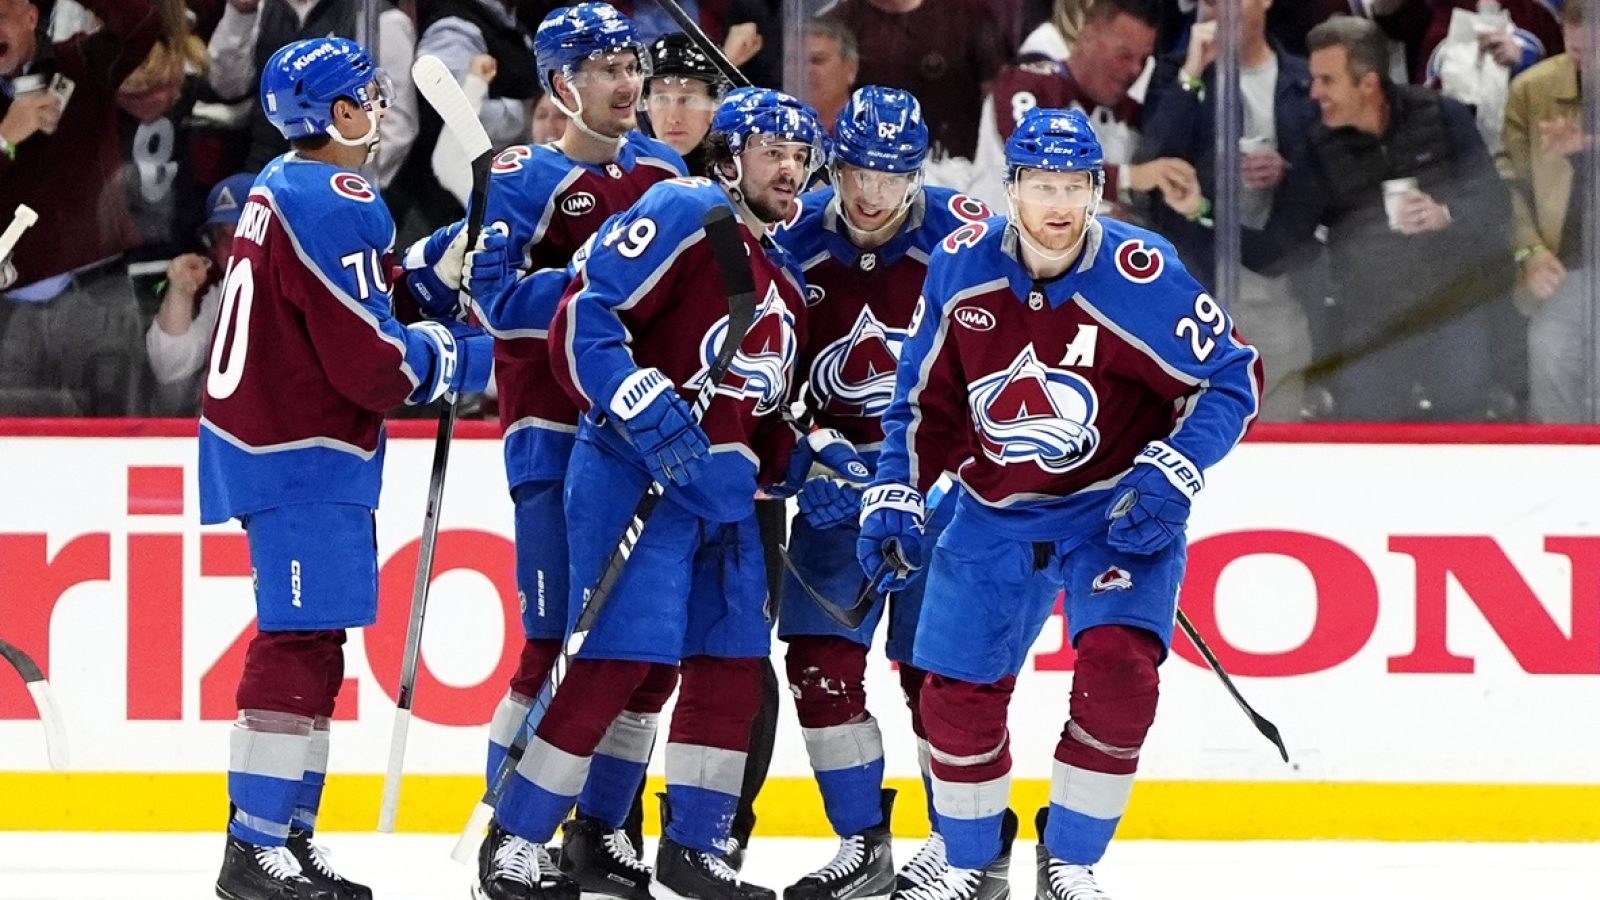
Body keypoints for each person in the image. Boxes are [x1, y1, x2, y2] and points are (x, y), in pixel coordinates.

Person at [857, 107, 1260, 900]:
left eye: (1075, 185)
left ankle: (1070, 859)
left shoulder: (1142, 274)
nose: (1058, 203)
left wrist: (1175, 468)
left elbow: (1230, 377)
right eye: (1041, 185)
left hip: (1114, 513)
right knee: (956, 698)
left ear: (1095, 190)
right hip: (992, 509)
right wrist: (896, 493)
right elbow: (921, 405)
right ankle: (971, 859)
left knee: (1121, 675)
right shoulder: (959, 265)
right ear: (1011, 189)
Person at [474, 87, 824, 900]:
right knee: (613, 659)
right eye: (773, 150)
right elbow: (587, 315)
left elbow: (760, 420)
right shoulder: (685, 211)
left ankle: (684, 845)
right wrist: (631, 396)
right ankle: (518, 837)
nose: (790, 168)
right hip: (634, 475)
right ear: (731, 156)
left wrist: (811, 461)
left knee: (731, 665)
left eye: (801, 156)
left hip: (725, 502)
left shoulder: (790, 286)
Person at [198, 37, 492, 900]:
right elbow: (372, 365)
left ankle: (287, 832)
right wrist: (468, 357)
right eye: (364, 97)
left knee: (316, 640)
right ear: (332, 116)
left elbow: (356, 294)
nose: (379, 107)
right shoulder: (337, 196)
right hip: (296, 450)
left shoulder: (285, 187)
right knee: (295, 642)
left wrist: (434, 269)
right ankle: (254, 848)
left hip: (288, 443)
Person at [413, 5, 686, 899]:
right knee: (552, 644)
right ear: (562, 82)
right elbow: (492, 302)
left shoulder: (666, 172)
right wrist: (599, 284)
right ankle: (511, 835)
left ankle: (601, 833)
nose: (625, 82)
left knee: (644, 659)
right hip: (554, 434)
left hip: (646, 441)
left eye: (631, 63)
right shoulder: (522, 174)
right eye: (603, 67)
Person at [768, 84, 992, 900]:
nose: (870, 192)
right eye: (857, 169)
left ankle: (953, 845)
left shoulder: (968, 238)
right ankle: (864, 844)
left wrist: (956, 471)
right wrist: (806, 454)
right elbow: (757, 372)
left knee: (934, 668)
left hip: (938, 486)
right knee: (820, 663)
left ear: (918, 170)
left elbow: (1007, 367)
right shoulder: (791, 236)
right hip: (835, 485)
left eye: (891, 175)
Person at [1304, 15, 1515, 420]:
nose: (1315, 93)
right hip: (1371, 323)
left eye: (1327, 81)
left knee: (1462, 431)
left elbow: (1494, 199)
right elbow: (1294, 233)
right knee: (1367, 438)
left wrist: (1446, 213)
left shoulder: (1441, 115)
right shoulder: (1318, 144)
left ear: (1367, 84)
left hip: (1450, 310)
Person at [1138, 0, 1323, 421]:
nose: (1218, 9)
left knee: (1279, 428)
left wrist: (1287, 172)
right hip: (1193, 291)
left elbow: (1323, 178)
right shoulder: (1176, 71)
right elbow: (1153, 161)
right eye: (1207, 2)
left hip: (1276, 288)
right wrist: (1191, 75)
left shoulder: (1304, 79)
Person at [0, 0, 161, 416]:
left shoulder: (82, 63)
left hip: (96, 292)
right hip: (7, 311)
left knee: (121, 439)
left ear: (30, 16)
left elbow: (142, 21)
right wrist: (4, 139)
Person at [967, 0, 1202, 226]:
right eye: (1124, 55)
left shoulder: (1130, 115)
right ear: (1087, 38)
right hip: (997, 257)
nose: (1135, 70)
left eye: (1143, 59)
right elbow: (1036, 158)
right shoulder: (1028, 86)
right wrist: (1128, 177)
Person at [1497, 1, 1590, 422]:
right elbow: (1507, 186)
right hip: (1564, 273)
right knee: (1550, 359)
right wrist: (1529, 252)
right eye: (1576, 54)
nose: (1585, 64)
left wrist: (1589, 147)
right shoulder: (1533, 90)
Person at [145, 171, 256, 413]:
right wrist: (180, 293)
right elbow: (170, 368)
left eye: (241, 232)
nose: (230, 247)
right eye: (221, 236)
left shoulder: (304, 295)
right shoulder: (218, 295)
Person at [642, 31, 728, 167]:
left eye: (688, 100)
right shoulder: (626, 172)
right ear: (648, 108)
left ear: (715, 106)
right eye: (662, 100)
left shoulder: (741, 175)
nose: (673, 118)